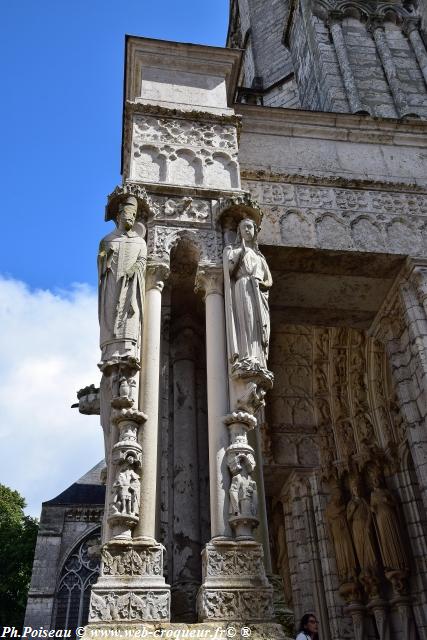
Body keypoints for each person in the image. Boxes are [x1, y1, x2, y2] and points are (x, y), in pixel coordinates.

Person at [223, 217, 272, 373]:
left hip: (258, 290)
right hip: (243, 286)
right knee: (246, 321)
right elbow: (229, 270)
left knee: (258, 325)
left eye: (250, 227)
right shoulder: (234, 250)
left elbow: (269, 279)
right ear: (239, 232)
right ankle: (246, 355)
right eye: (244, 227)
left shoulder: (260, 257)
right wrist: (240, 253)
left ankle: (258, 358)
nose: (247, 230)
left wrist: (263, 284)